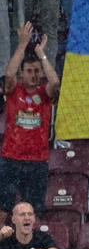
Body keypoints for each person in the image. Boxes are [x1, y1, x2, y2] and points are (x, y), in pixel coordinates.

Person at [0, 23, 60, 216]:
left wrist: (41, 54)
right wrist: (22, 44)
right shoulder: (14, 90)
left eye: (37, 71)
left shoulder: (44, 93)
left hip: (37, 162)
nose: (34, 75)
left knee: (33, 212)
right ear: (22, 74)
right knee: (3, 211)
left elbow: (55, 82)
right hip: (11, 159)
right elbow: (9, 74)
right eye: (29, 71)